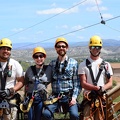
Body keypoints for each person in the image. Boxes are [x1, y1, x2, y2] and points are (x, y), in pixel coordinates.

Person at [42, 37, 81, 120]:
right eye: (59, 46)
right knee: (46, 114)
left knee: (74, 115)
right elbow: (45, 79)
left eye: (63, 46)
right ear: (56, 48)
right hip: (56, 97)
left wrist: (74, 98)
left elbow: (77, 83)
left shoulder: (73, 63)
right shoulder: (52, 64)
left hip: (69, 97)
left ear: (67, 48)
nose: (61, 48)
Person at [78, 35, 113, 120]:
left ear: (100, 49)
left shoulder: (106, 65)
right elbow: (83, 83)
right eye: (93, 47)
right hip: (89, 97)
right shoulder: (83, 65)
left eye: (98, 47)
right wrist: (95, 88)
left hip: (102, 97)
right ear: (89, 48)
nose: (95, 49)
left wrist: (102, 88)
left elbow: (110, 83)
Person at [0, 38, 24, 120]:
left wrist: (11, 90)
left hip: (10, 99)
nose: (6, 51)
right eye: (3, 48)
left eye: (8, 49)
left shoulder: (15, 64)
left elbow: (21, 81)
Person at [24, 47, 51, 120]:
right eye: (36, 56)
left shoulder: (49, 69)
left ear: (44, 57)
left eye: (41, 56)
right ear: (34, 58)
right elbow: (26, 83)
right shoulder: (30, 69)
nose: (39, 58)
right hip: (30, 98)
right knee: (30, 117)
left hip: (41, 98)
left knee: (39, 117)